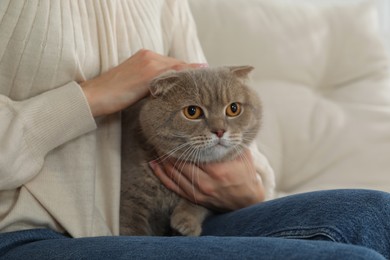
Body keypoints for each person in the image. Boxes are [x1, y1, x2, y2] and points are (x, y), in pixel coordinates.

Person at [0, 0, 389, 259]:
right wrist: (93, 96)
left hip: (191, 216)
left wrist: (251, 186)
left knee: (376, 212)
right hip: (28, 234)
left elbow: (213, 94)